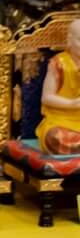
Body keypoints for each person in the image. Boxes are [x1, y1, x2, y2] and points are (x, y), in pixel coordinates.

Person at [35, 18, 80, 154]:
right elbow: (46, 98)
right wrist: (72, 103)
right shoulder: (59, 63)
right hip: (61, 120)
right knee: (55, 137)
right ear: (69, 40)